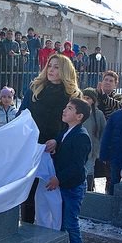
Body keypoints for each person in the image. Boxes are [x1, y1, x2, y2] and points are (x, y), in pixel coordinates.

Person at [17, 54, 81, 223]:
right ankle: (26, 226)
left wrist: (57, 141)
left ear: (66, 71)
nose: (51, 70)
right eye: (50, 66)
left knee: (50, 195)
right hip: (32, 146)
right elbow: (21, 116)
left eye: (57, 67)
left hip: (54, 151)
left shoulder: (72, 96)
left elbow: (74, 126)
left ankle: (50, 233)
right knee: (28, 191)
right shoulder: (35, 89)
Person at [45, 98, 91, 243]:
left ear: (79, 116)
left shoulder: (81, 137)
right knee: (60, 220)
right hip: (63, 185)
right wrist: (55, 142)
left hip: (73, 186)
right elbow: (60, 140)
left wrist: (59, 179)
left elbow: (76, 166)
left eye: (69, 108)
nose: (64, 110)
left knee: (70, 221)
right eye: (66, 107)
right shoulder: (66, 131)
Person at [82, 88, 106, 191]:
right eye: (84, 97)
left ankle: (89, 193)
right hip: (79, 148)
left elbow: (103, 132)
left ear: (93, 100)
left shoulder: (98, 114)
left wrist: (99, 149)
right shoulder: (78, 111)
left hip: (92, 150)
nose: (86, 100)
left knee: (89, 172)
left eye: (88, 98)